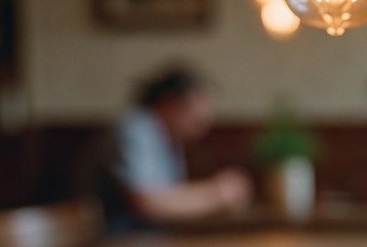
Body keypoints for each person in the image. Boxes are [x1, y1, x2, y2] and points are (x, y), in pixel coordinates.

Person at [91, 66, 252, 227]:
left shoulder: (169, 137)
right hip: (115, 241)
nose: (203, 130)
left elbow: (171, 197)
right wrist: (217, 194)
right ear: (169, 104)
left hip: (143, 239)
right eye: (196, 120)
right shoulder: (137, 128)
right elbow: (147, 203)